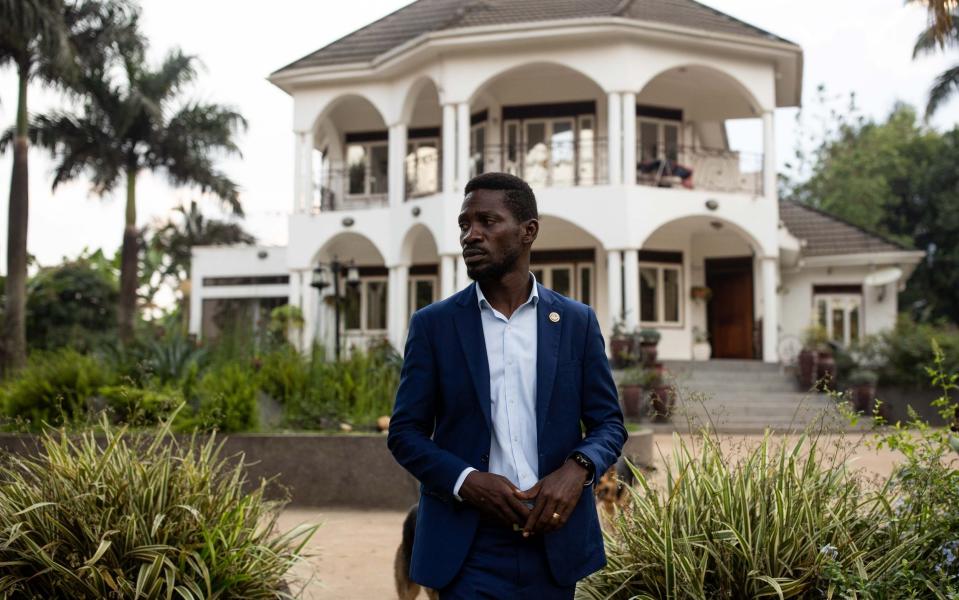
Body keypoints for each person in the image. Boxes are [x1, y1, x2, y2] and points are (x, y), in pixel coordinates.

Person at [387, 172, 627, 599]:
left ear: (528, 231)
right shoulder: (434, 326)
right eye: (464, 224)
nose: (470, 235)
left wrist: (576, 469)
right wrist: (467, 480)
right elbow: (405, 434)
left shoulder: (575, 322)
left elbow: (609, 421)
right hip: (467, 547)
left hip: (553, 541)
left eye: (487, 221)